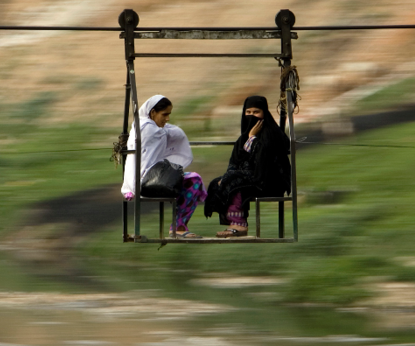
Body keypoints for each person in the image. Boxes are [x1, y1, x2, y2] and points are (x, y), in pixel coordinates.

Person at [204, 95, 291, 238]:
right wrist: (226, 177)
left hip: (269, 180)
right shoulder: (242, 138)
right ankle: (232, 221)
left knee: (235, 180)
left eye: (256, 112)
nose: (252, 116)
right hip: (250, 177)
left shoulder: (271, 134)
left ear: (264, 113)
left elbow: (263, 159)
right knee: (219, 181)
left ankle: (240, 224)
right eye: (248, 112)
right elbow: (235, 162)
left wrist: (252, 138)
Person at [122, 95, 206, 239]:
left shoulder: (142, 126)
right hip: (147, 182)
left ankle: (179, 225)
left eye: (169, 115)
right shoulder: (148, 129)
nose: (167, 119)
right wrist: (176, 131)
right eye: (164, 114)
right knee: (194, 180)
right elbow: (169, 133)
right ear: (153, 112)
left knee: (186, 180)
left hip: (144, 181)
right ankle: (179, 226)